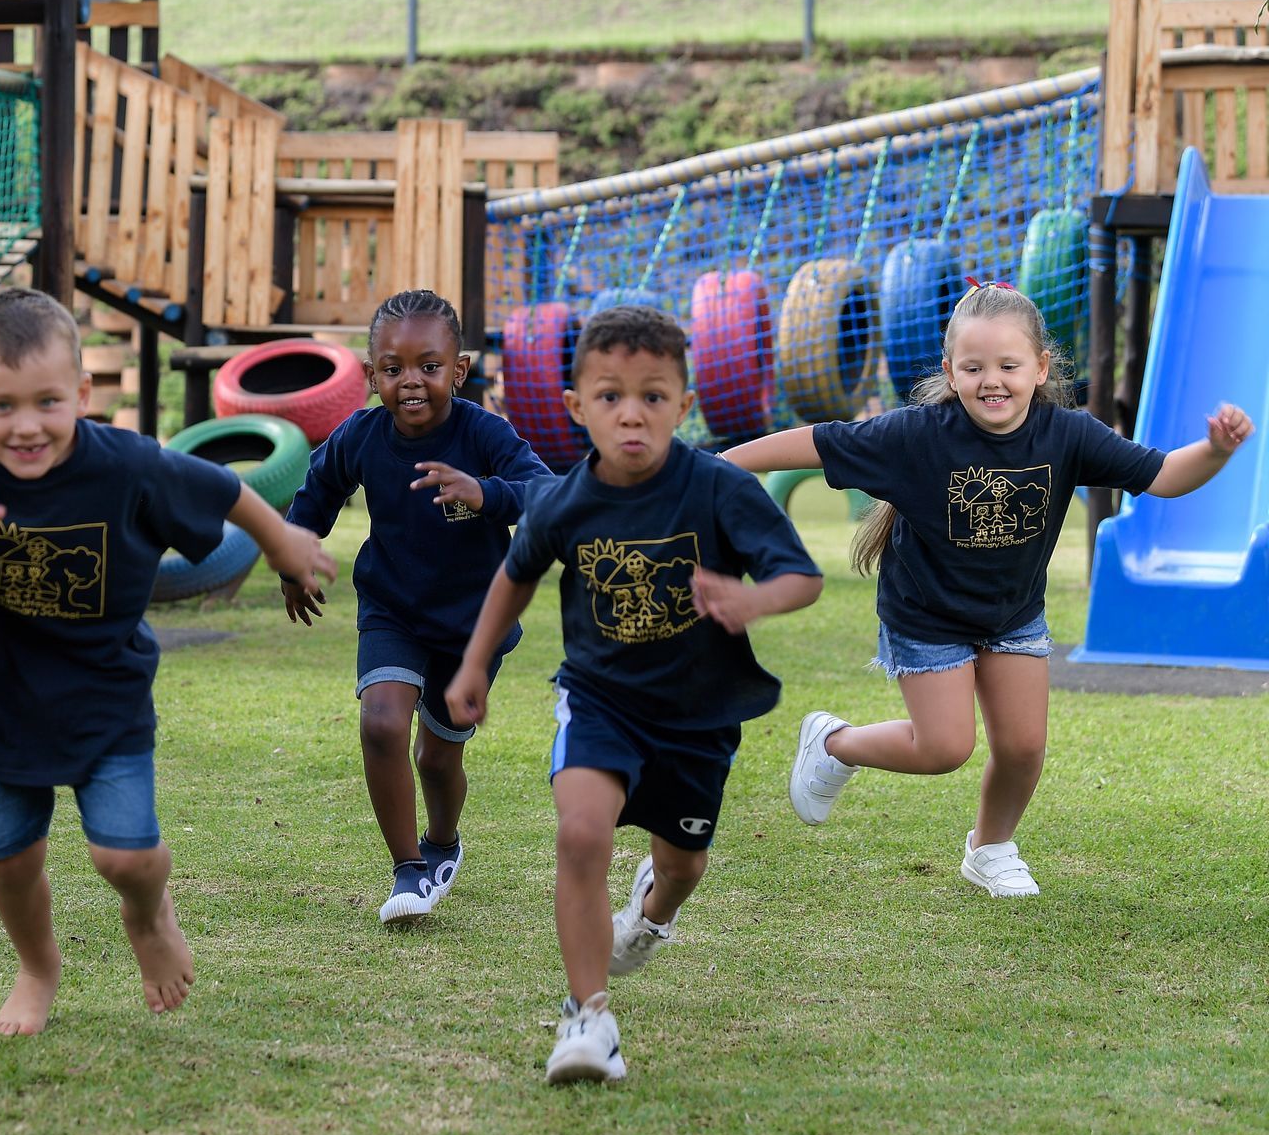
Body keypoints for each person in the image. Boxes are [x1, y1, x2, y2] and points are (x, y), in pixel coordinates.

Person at [0, 287, 336, 1035]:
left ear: (82, 392)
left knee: (125, 858)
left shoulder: (126, 464)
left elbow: (226, 488)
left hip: (106, 698)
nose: (28, 425)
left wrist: (283, 544)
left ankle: (148, 917)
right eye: (0, 406)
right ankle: (38, 967)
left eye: (48, 401)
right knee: (9, 862)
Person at [722, 281, 1254, 899]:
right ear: (951, 372)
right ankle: (835, 743)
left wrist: (1215, 451)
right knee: (944, 748)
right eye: (973, 368)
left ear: (1040, 368)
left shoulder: (1068, 435)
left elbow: (1161, 476)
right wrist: (717, 465)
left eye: (1008, 365)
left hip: (1012, 616)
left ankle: (990, 848)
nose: (992, 381)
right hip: (926, 617)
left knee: (1024, 747)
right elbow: (816, 442)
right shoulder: (916, 434)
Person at [445, 306, 822, 1083]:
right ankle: (588, 1021)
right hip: (599, 698)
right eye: (610, 395)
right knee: (581, 833)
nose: (632, 414)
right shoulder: (561, 500)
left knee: (683, 864)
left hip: (699, 716)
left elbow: (801, 576)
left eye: (653, 396)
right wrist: (473, 666)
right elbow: (513, 581)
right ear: (575, 405)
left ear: (684, 405)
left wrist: (755, 600)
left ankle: (653, 914)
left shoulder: (718, 487)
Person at [282, 289, 551, 925]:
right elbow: (316, 494)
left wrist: (484, 493)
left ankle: (442, 844)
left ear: (457, 371)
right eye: (393, 368)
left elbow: (547, 494)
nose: (411, 382)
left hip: (472, 624)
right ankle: (408, 870)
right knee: (379, 723)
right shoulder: (361, 435)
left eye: (429, 367)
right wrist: (296, 558)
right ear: (372, 374)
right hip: (392, 607)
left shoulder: (485, 432)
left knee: (437, 756)